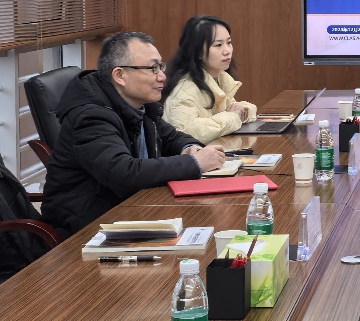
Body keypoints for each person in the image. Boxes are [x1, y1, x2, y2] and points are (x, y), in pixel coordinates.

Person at [42, 31, 226, 237]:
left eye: (161, 67)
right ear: (119, 75)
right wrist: (195, 163)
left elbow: (170, 137)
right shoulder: (91, 116)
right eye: (152, 68)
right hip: (89, 230)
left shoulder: (137, 103)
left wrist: (190, 148)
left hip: (133, 211)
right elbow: (124, 172)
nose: (162, 76)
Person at [162, 16, 257, 144]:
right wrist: (233, 116)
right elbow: (186, 132)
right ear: (198, 52)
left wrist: (241, 111)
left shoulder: (219, 78)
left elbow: (235, 108)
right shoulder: (185, 90)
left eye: (229, 42)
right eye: (218, 45)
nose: (227, 51)